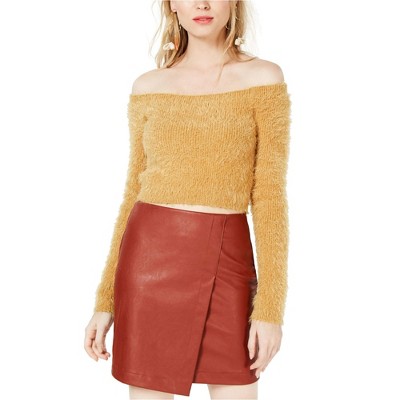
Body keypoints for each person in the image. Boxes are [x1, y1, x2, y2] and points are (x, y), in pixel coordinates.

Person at [84, 1, 292, 399]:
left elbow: (270, 197)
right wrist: (105, 299)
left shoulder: (263, 78)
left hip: (227, 261)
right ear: (172, 6)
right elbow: (132, 193)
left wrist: (270, 307)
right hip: (149, 262)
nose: (202, 3)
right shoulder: (149, 87)